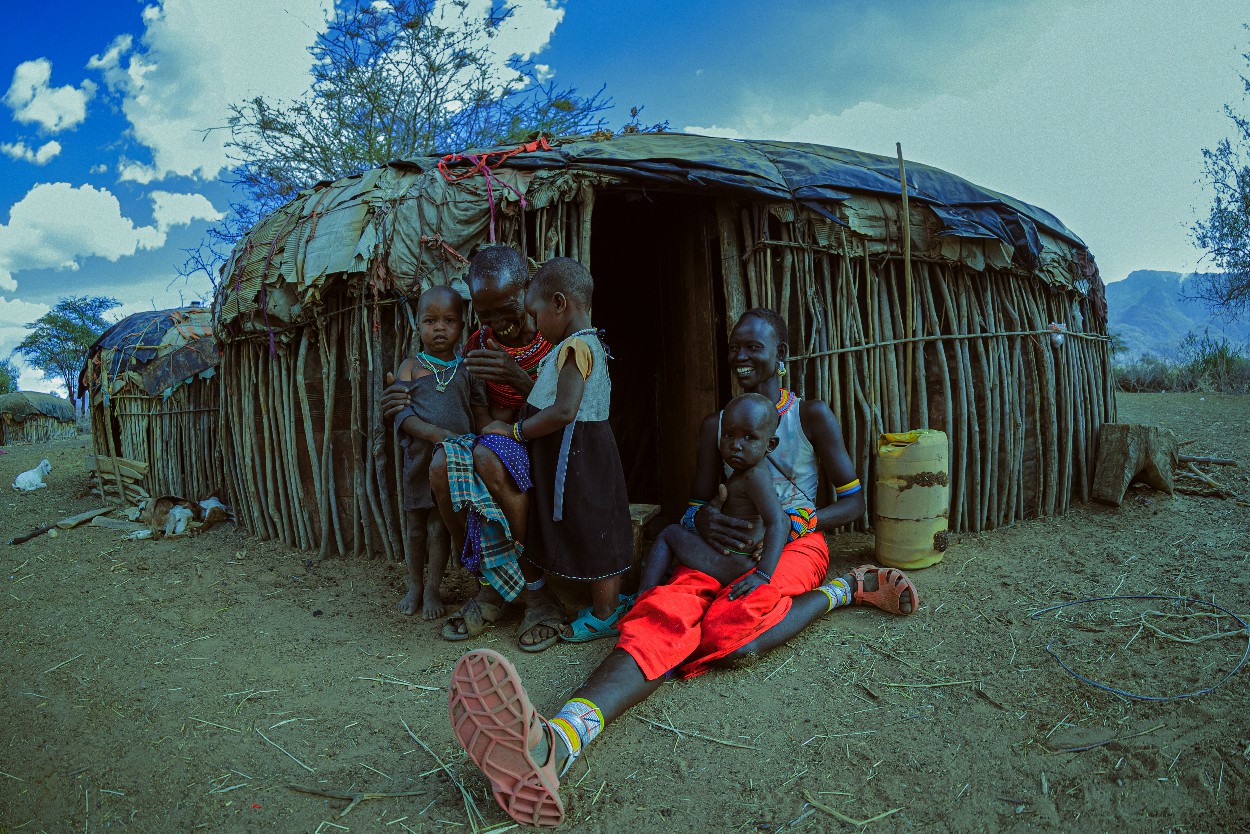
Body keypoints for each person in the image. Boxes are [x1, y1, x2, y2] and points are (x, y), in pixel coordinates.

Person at [448, 307, 920, 828]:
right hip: (720, 550)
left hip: (794, 547)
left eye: (753, 347)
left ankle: (843, 590)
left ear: (781, 356)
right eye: (734, 346)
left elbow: (853, 503)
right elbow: (694, 505)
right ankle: (559, 740)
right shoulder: (719, 427)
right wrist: (709, 520)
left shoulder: (810, 416)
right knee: (659, 618)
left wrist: (793, 519)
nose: (740, 357)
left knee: (735, 639)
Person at [381, 246, 563, 650]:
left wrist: (517, 379)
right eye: (486, 316)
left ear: (528, 290)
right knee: (448, 462)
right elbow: (483, 414)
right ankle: (491, 583)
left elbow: (572, 411)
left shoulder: (558, 335)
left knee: (484, 455)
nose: (500, 324)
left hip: (555, 447)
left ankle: (536, 589)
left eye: (507, 310)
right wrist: (399, 406)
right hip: (502, 440)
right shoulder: (478, 346)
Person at [481, 257, 633, 642]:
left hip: (580, 455)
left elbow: (564, 410)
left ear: (560, 304)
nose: (531, 324)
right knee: (595, 526)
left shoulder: (575, 348)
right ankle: (606, 605)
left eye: (535, 313)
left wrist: (515, 430)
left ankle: (605, 613)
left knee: (594, 529)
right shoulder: (580, 344)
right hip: (580, 453)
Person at [390, 286, 488, 619]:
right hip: (418, 462)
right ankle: (414, 586)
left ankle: (433, 589)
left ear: (463, 325)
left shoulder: (467, 370)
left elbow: (479, 413)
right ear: (418, 325)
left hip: (453, 465)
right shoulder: (410, 367)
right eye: (430, 321)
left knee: (439, 528)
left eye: (449, 320)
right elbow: (400, 415)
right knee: (416, 528)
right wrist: (436, 434)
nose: (440, 328)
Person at [636, 392, 790, 599]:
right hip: (735, 557)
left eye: (749, 437)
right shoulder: (747, 473)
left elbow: (779, 521)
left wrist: (763, 575)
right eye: (728, 435)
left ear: (770, 445)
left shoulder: (754, 476)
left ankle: (641, 595)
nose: (735, 445)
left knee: (670, 533)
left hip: (734, 562)